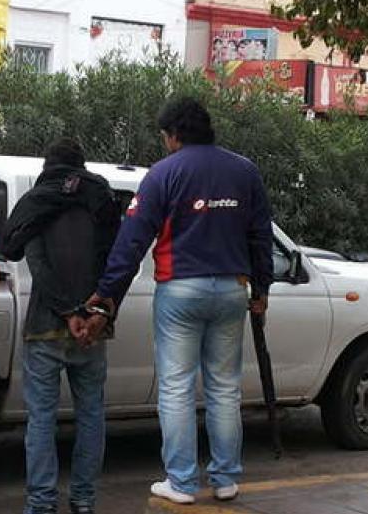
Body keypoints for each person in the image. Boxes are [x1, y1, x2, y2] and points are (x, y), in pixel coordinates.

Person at [86, 98, 273, 504]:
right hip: (232, 289)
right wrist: (262, 290)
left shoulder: (163, 174)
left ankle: (182, 482)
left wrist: (108, 294)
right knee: (225, 388)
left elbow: (132, 241)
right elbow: (261, 234)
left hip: (180, 290)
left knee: (176, 387)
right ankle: (225, 479)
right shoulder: (244, 171)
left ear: (173, 135)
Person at [1, 140, 125, 514]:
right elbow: (113, 261)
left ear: (48, 167)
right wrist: (92, 314)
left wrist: (68, 312)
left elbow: (38, 265)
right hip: (94, 327)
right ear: (81, 167)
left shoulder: (37, 203)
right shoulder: (100, 201)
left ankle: (41, 503)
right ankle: (83, 500)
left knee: (41, 418)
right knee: (91, 415)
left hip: (45, 326)